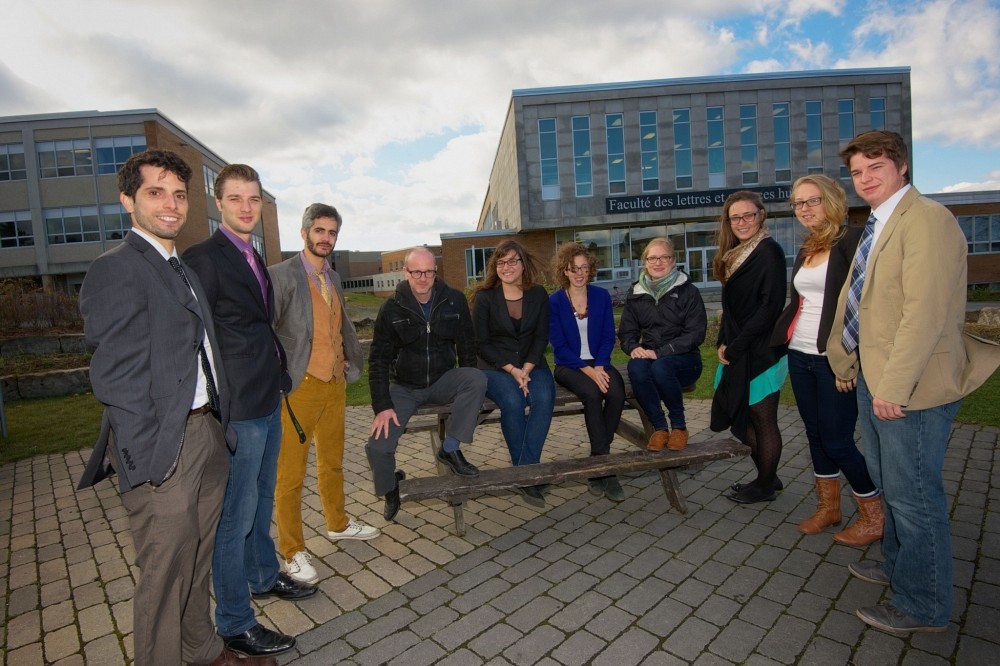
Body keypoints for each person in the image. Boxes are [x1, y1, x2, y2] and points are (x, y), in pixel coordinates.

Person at [77, 150, 275, 665]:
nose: (171, 204)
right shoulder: (116, 269)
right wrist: (152, 457)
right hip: (164, 447)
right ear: (128, 200)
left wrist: (217, 425)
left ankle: (202, 650)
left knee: (196, 557)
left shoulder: (178, 265)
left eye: (179, 195)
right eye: (155, 192)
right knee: (164, 575)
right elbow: (115, 379)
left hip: (207, 432)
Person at [827, 130, 1000, 635]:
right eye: (857, 172)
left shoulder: (927, 219)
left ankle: (923, 604)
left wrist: (893, 388)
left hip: (910, 388)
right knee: (891, 482)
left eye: (875, 167)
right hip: (877, 376)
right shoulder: (880, 222)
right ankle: (897, 565)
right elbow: (866, 302)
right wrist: (851, 362)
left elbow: (924, 314)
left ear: (901, 166)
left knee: (914, 496)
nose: (865, 179)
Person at [184, 164, 313, 659]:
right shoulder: (204, 258)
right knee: (233, 517)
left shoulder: (253, 253)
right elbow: (194, 334)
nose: (245, 207)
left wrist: (279, 373)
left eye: (254, 199)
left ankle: (261, 575)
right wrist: (219, 399)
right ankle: (235, 621)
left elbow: (257, 323)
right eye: (235, 198)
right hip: (238, 407)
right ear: (217, 203)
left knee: (261, 500)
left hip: (267, 396)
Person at [771, 175, 883, 545]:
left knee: (837, 441)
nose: (803, 209)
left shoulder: (854, 240)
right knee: (815, 435)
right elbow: (800, 302)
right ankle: (829, 509)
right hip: (801, 354)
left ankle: (875, 516)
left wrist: (849, 358)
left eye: (812, 200)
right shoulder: (808, 247)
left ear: (833, 200)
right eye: (798, 203)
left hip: (834, 359)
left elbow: (863, 306)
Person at [270, 203, 378, 585]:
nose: (326, 238)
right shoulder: (280, 276)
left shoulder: (332, 276)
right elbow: (266, 331)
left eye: (332, 232)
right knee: (290, 474)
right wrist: (279, 376)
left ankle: (338, 523)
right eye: (319, 230)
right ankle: (292, 550)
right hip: (299, 388)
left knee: (332, 463)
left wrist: (347, 361)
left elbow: (336, 325)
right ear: (304, 233)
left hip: (334, 384)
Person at [367, 247, 487, 521]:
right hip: (405, 387)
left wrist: (468, 388)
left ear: (436, 271)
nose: (423, 278)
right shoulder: (391, 308)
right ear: (405, 272)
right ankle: (390, 487)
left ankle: (450, 449)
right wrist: (382, 405)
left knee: (476, 378)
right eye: (417, 272)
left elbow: (467, 346)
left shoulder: (454, 300)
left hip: (443, 380)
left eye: (429, 272)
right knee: (377, 448)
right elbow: (378, 361)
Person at [710, 190, 788, 504]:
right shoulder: (734, 254)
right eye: (735, 218)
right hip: (739, 347)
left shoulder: (769, 251)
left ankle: (765, 486)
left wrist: (735, 347)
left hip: (762, 352)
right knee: (738, 413)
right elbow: (731, 309)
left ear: (761, 215)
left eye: (748, 215)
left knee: (762, 420)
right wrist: (722, 341)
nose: (742, 222)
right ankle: (768, 474)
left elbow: (769, 308)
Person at [472, 239, 554, 507]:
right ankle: (530, 475)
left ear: (523, 264)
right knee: (513, 402)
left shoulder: (538, 294)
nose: (506, 267)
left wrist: (527, 368)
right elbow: (481, 344)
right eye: (501, 262)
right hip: (495, 366)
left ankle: (524, 470)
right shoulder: (485, 298)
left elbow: (541, 336)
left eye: (512, 261)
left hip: (533, 363)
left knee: (544, 399)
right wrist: (512, 370)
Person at [548, 242, 626, 500]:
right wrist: (590, 372)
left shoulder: (601, 296)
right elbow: (559, 346)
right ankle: (605, 470)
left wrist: (600, 365)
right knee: (592, 395)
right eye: (573, 268)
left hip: (599, 361)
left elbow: (608, 336)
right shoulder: (554, 301)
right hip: (568, 365)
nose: (579, 273)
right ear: (565, 271)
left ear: (590, 269)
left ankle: (597, 460)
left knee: (616, 393)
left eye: (584, 268)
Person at [618, 237, 706, 453]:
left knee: (661, 366)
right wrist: (633, 347)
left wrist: (661, 353)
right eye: (652, 258)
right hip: (651, 356)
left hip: (686, 361)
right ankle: (659, 428)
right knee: (636, 367)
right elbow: (627, 333)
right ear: (645, 262)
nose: (658, 263)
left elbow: (696, 334)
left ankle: (679, 427)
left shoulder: (688, 292)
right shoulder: (636, 293)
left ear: (673, 260)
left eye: (664, 257)